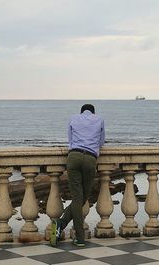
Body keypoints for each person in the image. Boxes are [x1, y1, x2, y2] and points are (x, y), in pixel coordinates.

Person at [50, 104, 105, 247]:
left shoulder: (73, 118)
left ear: (81, 112)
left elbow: (70, 139)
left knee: (77, 198)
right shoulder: (99, 119)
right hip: (90, 159)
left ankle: (61, 223)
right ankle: (79, 237)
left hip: (74, 156)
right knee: (82, 197)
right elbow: (101, 141)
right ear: (93, 112)